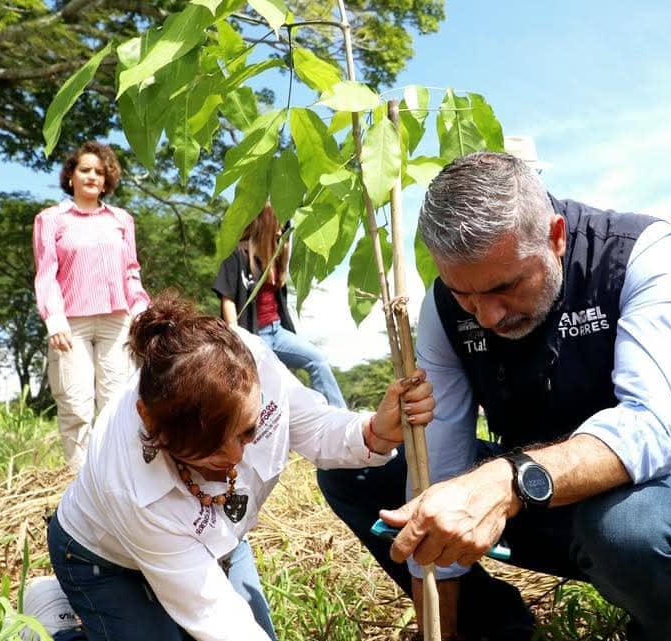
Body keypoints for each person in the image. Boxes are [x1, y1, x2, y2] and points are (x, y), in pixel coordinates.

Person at [317, 152, 671, 641]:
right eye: (465, 295)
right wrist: (441, 627)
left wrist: (507, 480)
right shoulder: (443, 307)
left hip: (667, 503)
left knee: (629, 528)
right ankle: (492, 626)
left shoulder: (638, 252)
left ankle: (660, 626)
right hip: (537, 503)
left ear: (556, 236)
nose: (488, 317)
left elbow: (651, 429)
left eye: (506, 287)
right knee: (360, 470)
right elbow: (436, 463)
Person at [37, 291, 433, 641]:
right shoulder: (130, 486)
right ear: (151, 424)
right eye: (205, 455)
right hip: (102, 559)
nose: (234, 460)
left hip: (216, 540)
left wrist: (375, 432)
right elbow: (215, 615)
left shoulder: (245, 359)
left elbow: (313, 425)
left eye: (247, 432)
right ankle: (58, 624)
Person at [33, 140, 150, 469]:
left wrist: (141, 311)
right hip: (71, 325)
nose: (92, 177)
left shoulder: (121, 219)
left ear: (107, 180)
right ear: (71, 175)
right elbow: (46, 275)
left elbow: (131, 272)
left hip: (117, 322)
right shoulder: (51, 219)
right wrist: (54, 320)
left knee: (117, 404)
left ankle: (114, 476)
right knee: (75, 403)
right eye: (85, 170)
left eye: (100, 172)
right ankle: (78, 481)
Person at [213, 204, 346, 408]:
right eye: (279, 221)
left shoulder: (276, 255)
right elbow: (228, 298)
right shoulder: (238, 254)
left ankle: (341, 415)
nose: (282, 228)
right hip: (254, 337)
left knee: (318, 360)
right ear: (266, 220)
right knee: (275, 387)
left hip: (278, 332)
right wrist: (236, 336)